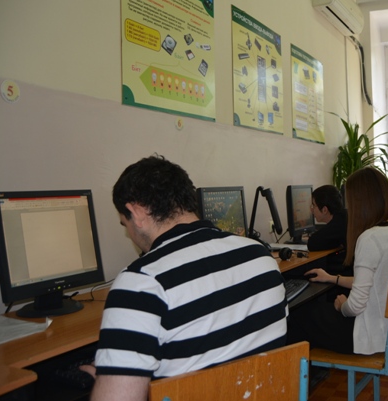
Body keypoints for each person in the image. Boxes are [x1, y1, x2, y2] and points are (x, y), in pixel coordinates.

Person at [87, 155, 288, 401]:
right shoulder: (259, 255)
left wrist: (108, 377)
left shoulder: (142, 282)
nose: (130, 234)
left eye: (124, 224)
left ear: (136, 212)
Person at [286, 167, 388, 355]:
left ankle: (300, 373)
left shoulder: (369, 239)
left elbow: (354, 306)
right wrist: (333, 278)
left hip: (363, 335)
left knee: (295, 315)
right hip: (383, 330)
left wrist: (342, 305)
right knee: (314, 311)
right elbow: (375, 281)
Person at [307, 184, 349, 275]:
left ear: (325, 210)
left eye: (313, 205)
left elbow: (312, 243)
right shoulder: (345, 215)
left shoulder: (338, 224)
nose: (311, 210)